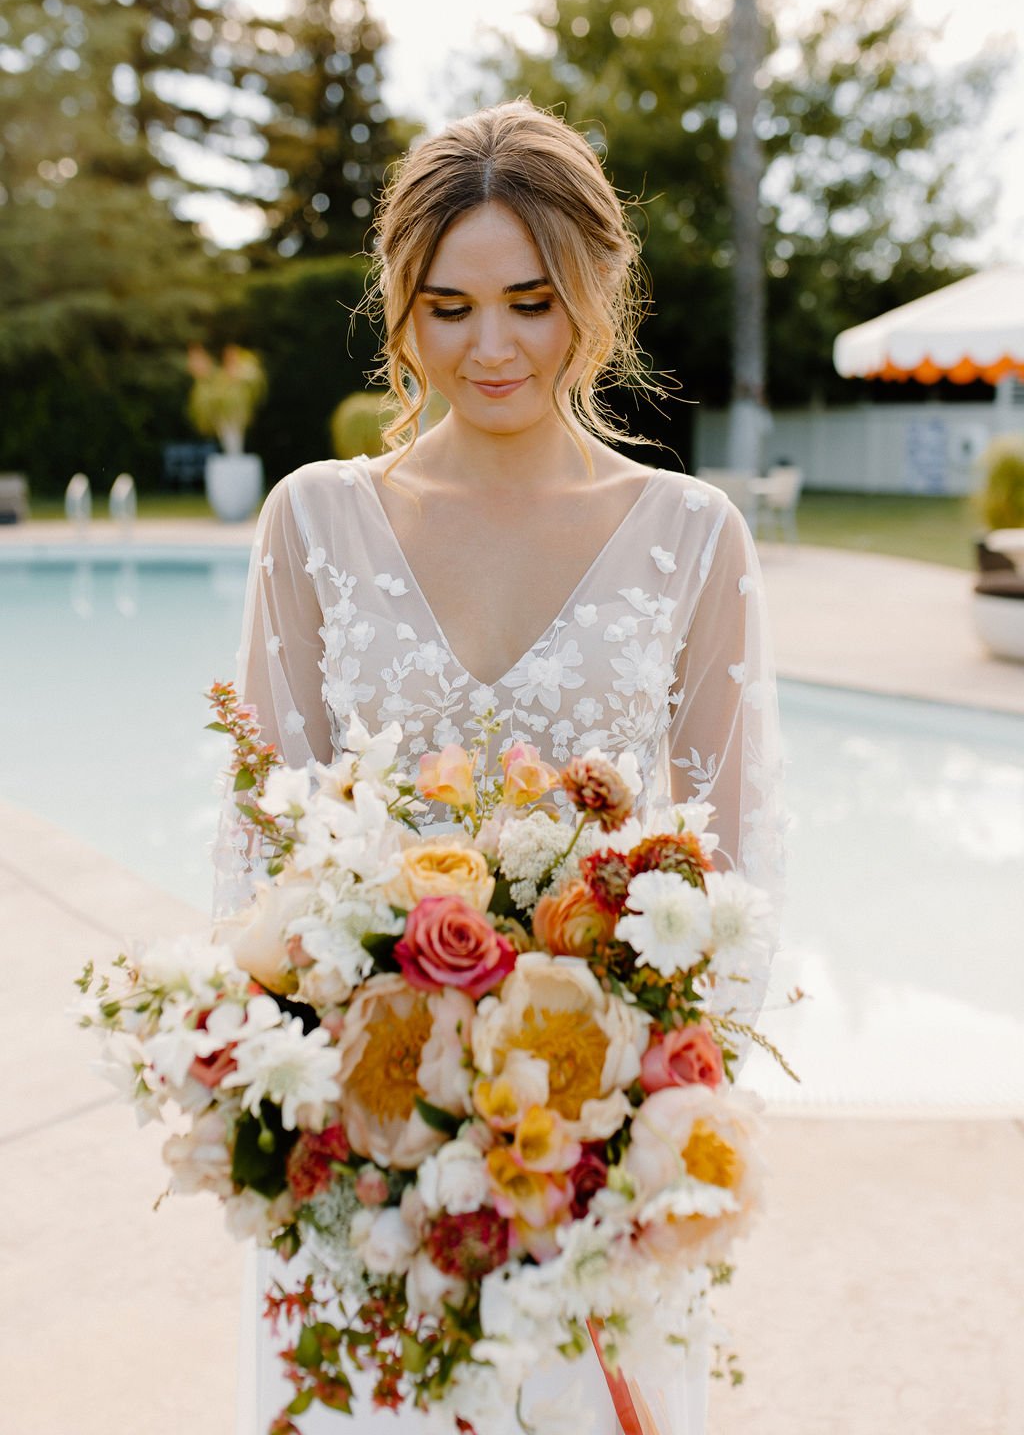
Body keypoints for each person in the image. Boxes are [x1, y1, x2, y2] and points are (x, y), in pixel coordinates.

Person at [216, 99, 785, 1435]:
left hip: (598, 1178)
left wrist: (622, 1126)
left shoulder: (694, 539)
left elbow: (733, 873)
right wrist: (351, 1106)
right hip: (361, 1166)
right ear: (400, 306)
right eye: (448, 304)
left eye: (530, 301)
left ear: (596, 289)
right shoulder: (311, 520)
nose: (490, 346)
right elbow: (258, 861)